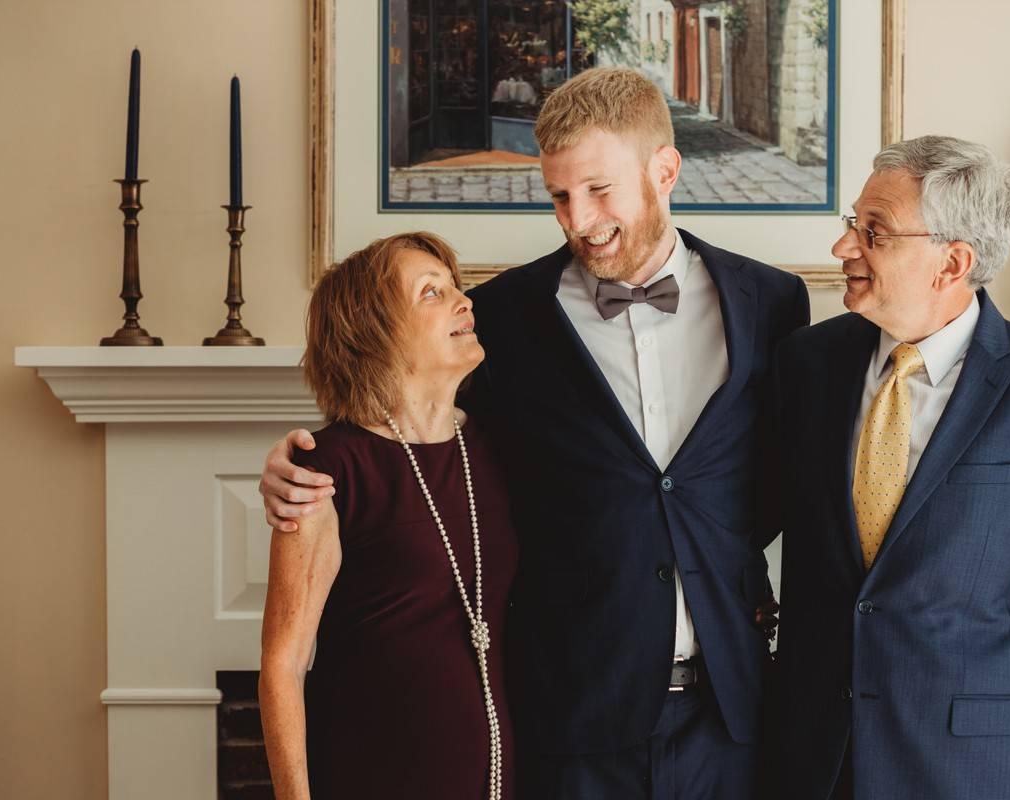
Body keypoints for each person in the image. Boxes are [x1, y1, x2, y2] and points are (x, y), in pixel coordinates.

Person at [260, 67, 809, 799]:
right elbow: (408, 416)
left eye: (598, 189)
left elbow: (784, 477)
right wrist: (294, 462)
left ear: (665, 169)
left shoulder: (771, 302)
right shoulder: (503, 318)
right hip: (573, 720)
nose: (578, 219)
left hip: (731, 712)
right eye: (559, 196)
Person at [765, 135, 1010, 800]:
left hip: (966, 772)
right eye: (851, 225)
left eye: (874, 232)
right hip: (810, 761)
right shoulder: (804, 365)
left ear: (952, 262)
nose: (844, 249)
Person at [257, 232, 517, 799]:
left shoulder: (499, 448)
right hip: (366, 773)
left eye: (456, 287)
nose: (464, 302)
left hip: (494, 776)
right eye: (431, 292)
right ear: (375, 334)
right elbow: (284, 664)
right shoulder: (324, 469)